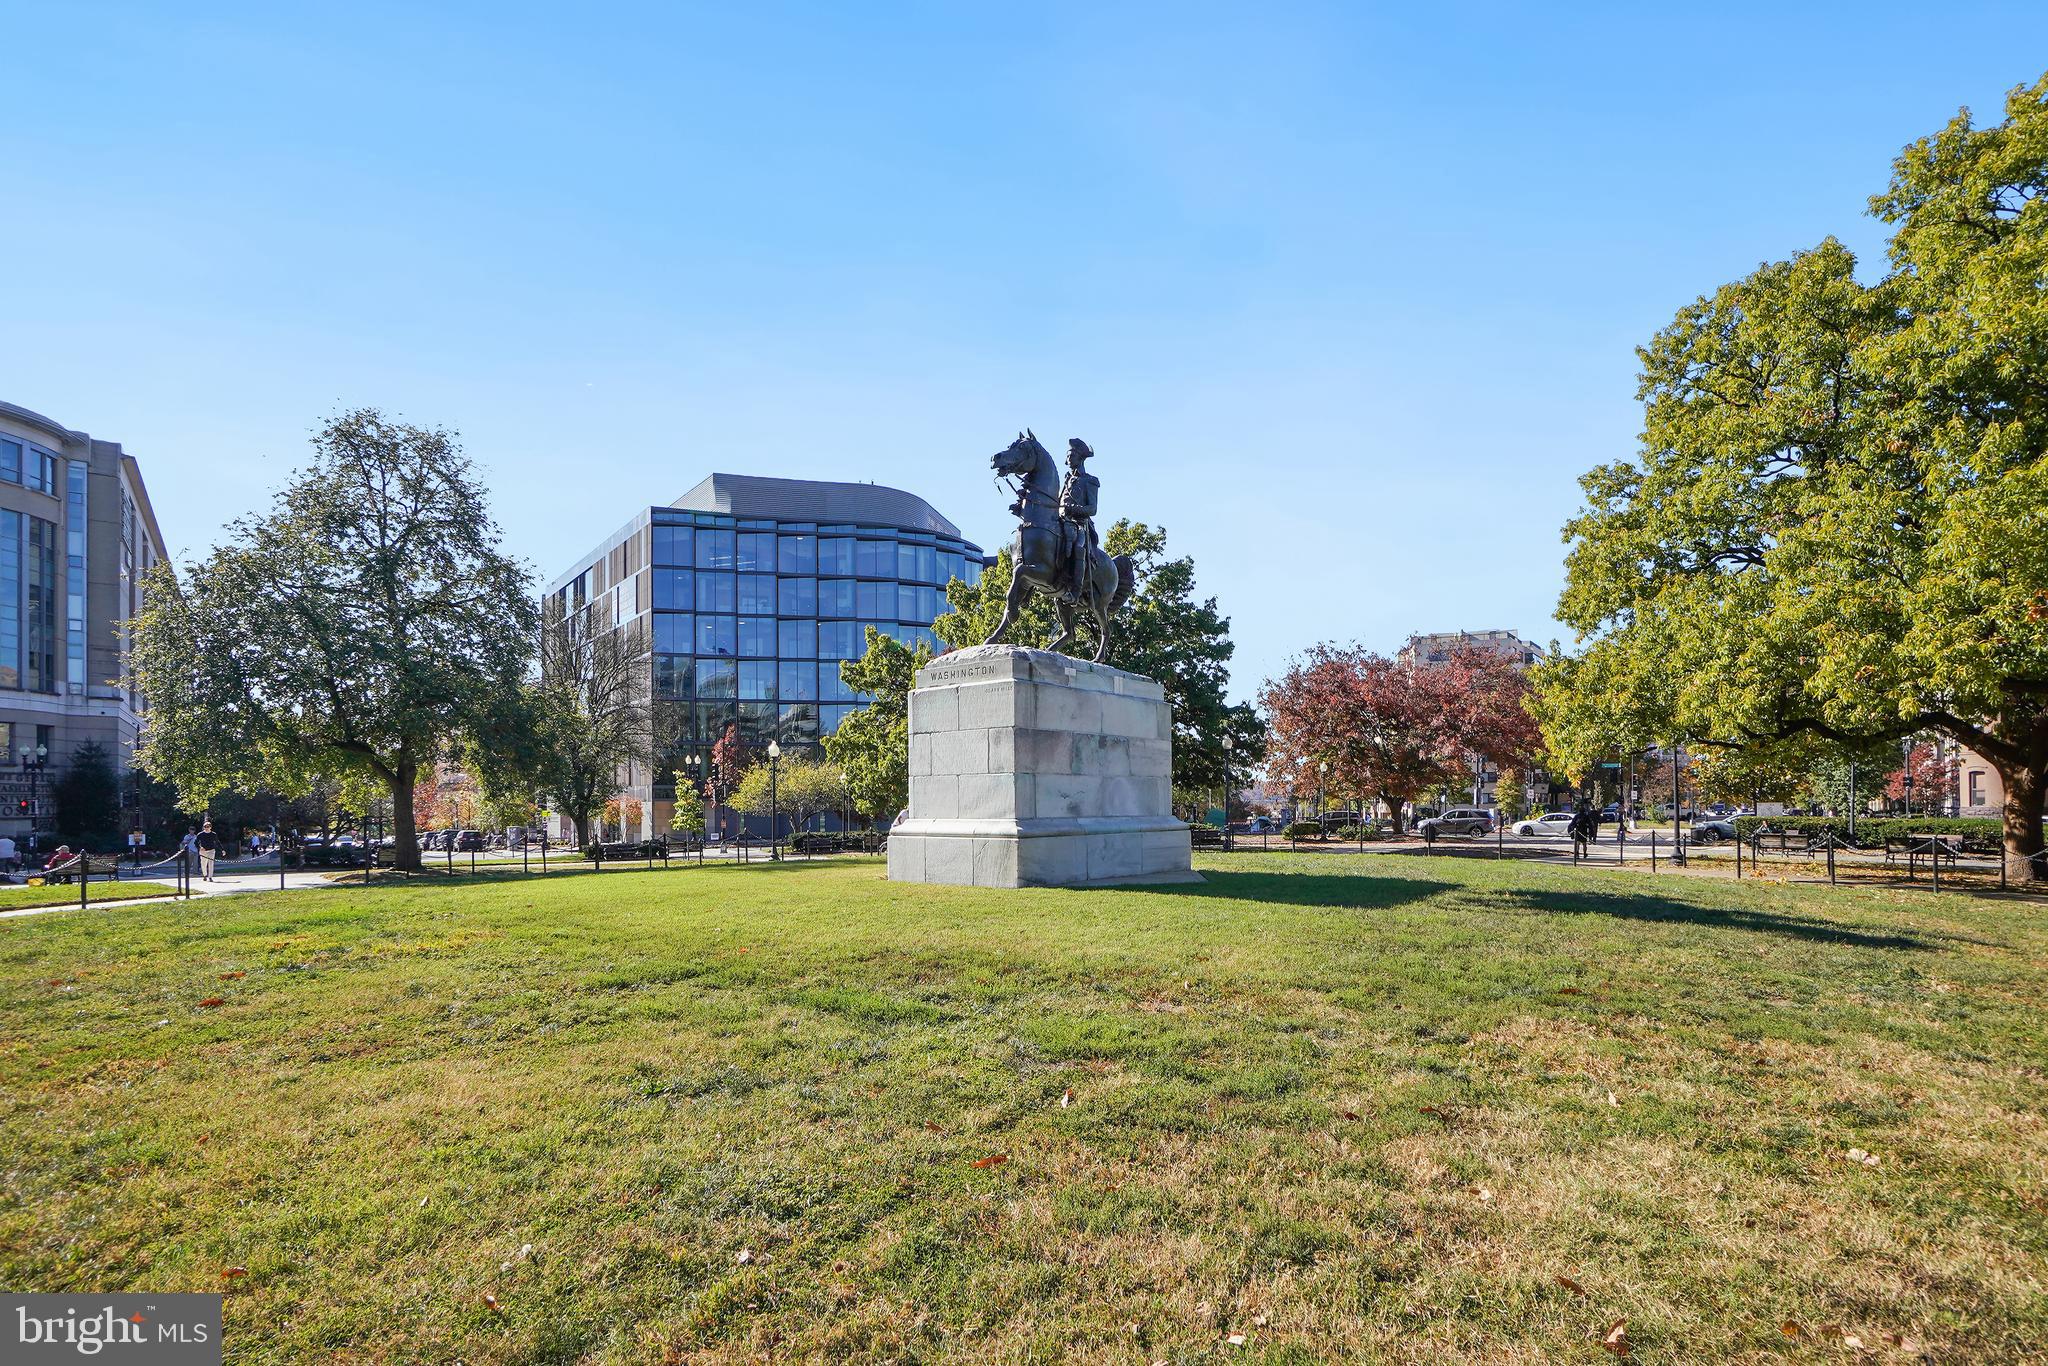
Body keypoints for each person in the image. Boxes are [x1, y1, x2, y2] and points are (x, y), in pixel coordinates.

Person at [1058, 438, 1100, 602]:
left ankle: (1075, 591)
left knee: (1078, 547)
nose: (1067, 460)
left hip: (1081, 524)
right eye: (1068, 456)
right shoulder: (1066, 479)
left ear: (1080, 457)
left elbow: (1093, 509)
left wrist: (1073, 509)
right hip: (1062, 521)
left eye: (1070, 456)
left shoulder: (1090, 480)